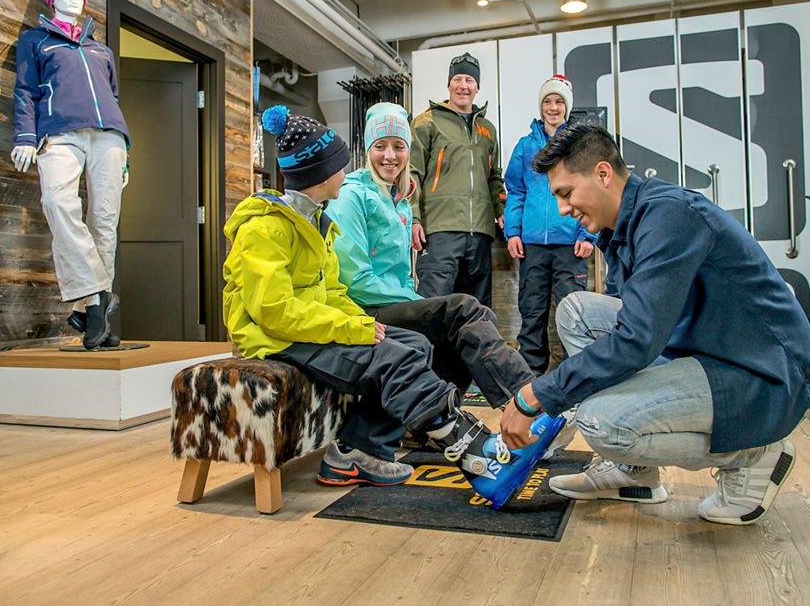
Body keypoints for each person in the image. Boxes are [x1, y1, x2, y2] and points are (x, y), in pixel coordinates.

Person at [498, 123, 810, 525]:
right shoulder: (623, 227)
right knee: (577, 312)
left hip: (761, 371)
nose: (562, 209)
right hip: (706, 349)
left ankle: (756, 453)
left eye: (566, 193)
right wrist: (563, 402)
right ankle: (634, 474)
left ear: (603, 174)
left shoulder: (668, 216)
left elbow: (638, 340)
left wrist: (537, 395)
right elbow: (635, 325)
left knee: (601, 420)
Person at [222, 104, 561, 508]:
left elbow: (330, 293)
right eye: (340, 165)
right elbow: (274, 312)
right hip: (275, 340)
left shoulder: (315, 223)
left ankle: (358, 450)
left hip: (310, 327)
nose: (346, 173)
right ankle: (476, 456)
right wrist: (355, 327)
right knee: (398, 355)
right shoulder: (267, 226)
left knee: (416, 346)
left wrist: (352, 322)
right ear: (322, 173)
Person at [326, 102, 543, 415]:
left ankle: (440, 412)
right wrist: (419, 304)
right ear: (368, 149)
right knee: (463, 310)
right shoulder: (351, 195)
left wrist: (418, 304)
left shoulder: (398, 202)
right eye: (380, 146)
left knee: (474, 322)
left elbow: (402, 275)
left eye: (398, 146)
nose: (390, 156)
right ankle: (531, 406)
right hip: (362, 308)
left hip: (388, 302)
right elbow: (354, 281)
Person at [12, 0, 129, 349]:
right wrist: (26, 137)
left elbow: (112, 98)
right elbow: (25, 91)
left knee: (104, 221)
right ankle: (97, 302)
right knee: (59, 203)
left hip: (109, 138)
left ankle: (89, 310)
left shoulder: (101, 49)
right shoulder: (36, 41)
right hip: (59, 135)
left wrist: (125, 153)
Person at [504, 76, 596, 376]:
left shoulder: (580, 145)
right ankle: (530, 376)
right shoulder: (525, 146)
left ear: (567, 107)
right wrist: (513, 232)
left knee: (573, 310)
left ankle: (573, 375)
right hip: (532, 244)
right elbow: (516, 190)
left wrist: (587, 233)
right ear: (541, 106)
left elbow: (592, 188)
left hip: (571, 241)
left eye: (558, 102)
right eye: (547, 101)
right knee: (532, 311)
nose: (552, 108)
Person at [409, 52, 504, 307]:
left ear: (477, 87)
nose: (463, 86)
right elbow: (411, 174)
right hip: (440, 229)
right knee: (434, 306)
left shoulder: (488, 129)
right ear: (449, 84)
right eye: (458, 79)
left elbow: (494, 176)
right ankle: (430, 350)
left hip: (481, 232)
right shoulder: (426, 122)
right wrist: (414, 219)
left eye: (469, 81)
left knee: (477, 308)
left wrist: (502, 212)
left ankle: (473, 349)